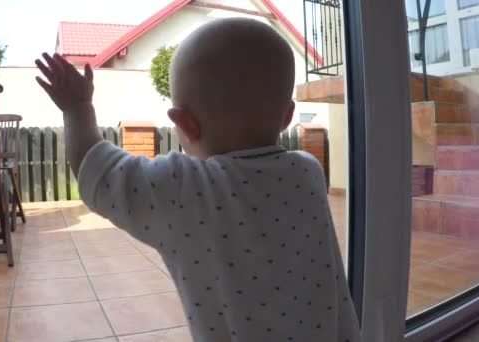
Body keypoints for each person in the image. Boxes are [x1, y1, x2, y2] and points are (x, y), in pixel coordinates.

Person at [35, 17, 359, 342]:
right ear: (287, 116)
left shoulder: (185, 190)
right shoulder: (308, 172)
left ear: (184, 125)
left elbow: (97, 171)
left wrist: (77, 108)